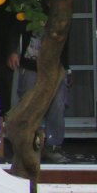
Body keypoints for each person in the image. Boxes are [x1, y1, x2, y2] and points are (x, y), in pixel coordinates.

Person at [6, 25, 68, 161]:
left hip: (56, 66)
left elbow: (65, 40)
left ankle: (53, 146)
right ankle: (27, 145)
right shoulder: (28, 12)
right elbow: (15, 29)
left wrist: (67, 68)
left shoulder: (62, 15)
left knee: (57, 104)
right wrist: (13, 51)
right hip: (30, 64)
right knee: (28, 104)